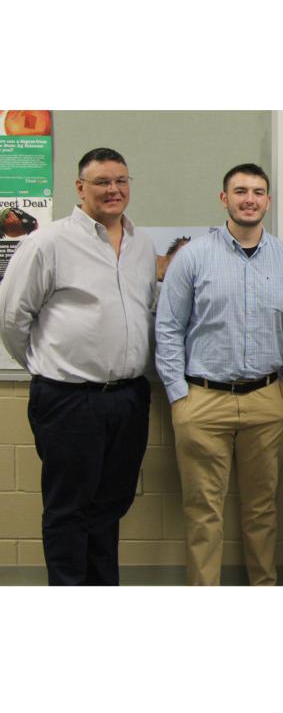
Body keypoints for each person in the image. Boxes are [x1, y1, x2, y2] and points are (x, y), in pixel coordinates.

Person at [0, 147, 156, 585]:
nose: (113, 190)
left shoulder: (141, 244)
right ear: (80, 187)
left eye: (121, 180)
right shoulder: (48, 242)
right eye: (103, 182)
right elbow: (12, 317)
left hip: (127, 399)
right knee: (68, 509)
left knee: (111, 506)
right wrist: (47, 368)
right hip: (69, 399)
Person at [156, 163, 283, 586]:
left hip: (267, 400)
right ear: (224, 198)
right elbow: (168, 328)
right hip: (202, 400)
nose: (249, 199)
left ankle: (263, 588)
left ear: (268, 201)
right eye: (240, 191)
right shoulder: (193, 257)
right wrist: (178, 394)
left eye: (258, 192)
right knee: (203, 509)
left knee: (262, 509)